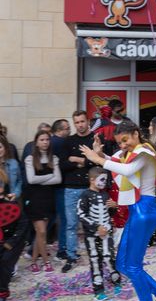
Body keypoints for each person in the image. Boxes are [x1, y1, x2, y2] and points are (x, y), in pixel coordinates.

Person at [80, 121, 156, 301]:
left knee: (132, 266)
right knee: (123, 264)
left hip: (145, 210)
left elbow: (127, 169)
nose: (123, 145)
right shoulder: (131, 153)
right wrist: (101, 154)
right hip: (138, 211)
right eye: (120, 143)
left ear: (135, 133)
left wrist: (98, 159)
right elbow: (116, 162)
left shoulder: (144, 151)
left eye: (125, 140)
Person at [77, 167, 121, 301]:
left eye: (105, 180)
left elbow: (110, 214)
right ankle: (99, 290)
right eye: (101, 179)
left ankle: (116, 281)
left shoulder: (105, 195)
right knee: (95, 261)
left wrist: (114, 206)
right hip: (92, 235)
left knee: (109, 257)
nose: (104, 182)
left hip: (106, 234)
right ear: (92, 180)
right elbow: (81, 214)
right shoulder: (85, 195)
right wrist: (96, 226)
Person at [60, 110, 96, 272]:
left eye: (82, 121)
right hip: (71, 188)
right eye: (77, 122)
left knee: (92, 224)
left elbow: (98, 163)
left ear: (87, 121)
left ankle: (96, 254)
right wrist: (81, 162)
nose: (80, 125)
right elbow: (62, 165)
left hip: (91, 188)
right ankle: (71, 256)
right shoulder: (68, 141)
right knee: (71, 224)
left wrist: (77, 159)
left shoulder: (95, 138)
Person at [23, 130, 61, 274]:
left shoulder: (54, 158)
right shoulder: (30, 158)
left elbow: (58, 179)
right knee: (42, 231)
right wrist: (50, 175)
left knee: (41, 233)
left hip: (48, 199)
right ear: (36, 142)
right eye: (42, 139)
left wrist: (43, 179)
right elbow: (31, 180)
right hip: (34, 199)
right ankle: (45, 261)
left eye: (47, 139)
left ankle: (33, 261)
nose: (45, 142)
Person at [0, 182, 28, 301]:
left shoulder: (11, 206)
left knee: (5, 263)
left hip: (13, 241)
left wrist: (11, 242)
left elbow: (23, 225)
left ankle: (2, 292)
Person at [51, 119, 71, 260]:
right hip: (61, 186)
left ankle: (32, 247)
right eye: (67, 128)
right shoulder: (61, 143)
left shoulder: (49, 142)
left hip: (48, 187)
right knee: (65, 219)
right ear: (59, 130)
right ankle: (62, 250)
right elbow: (64, 165)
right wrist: (77, 162)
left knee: (49, 218)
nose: (69, 130)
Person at [0, 136, 21, 202]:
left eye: (0, 147)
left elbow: (20, 181)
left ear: (5, 148)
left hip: (12, 202)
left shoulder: (14, 163)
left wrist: (16, 193)